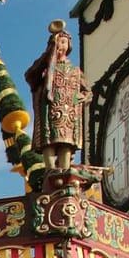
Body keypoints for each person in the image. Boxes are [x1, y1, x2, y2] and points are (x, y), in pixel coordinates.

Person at [23, 19, 90, 169]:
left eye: (64, 42)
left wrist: (82, 97)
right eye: (58, 42)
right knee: (48, 141)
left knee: (65, 141)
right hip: (49, 111)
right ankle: (50, 170)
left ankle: (65, 170)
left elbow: (87, 91)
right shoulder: (45, 70)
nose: (61, 45)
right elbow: (30, 76)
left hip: (68, 113)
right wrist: (48, 54)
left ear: (68, 46)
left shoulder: (75, 71)